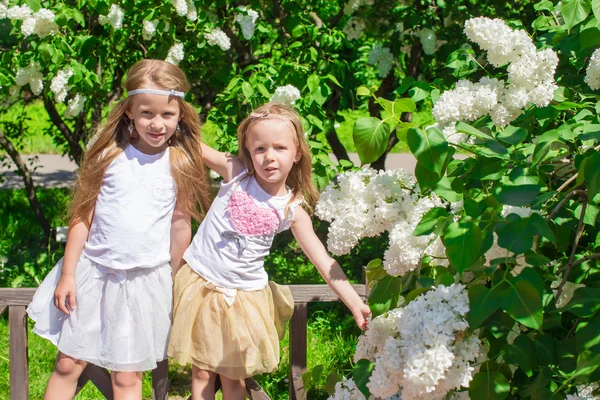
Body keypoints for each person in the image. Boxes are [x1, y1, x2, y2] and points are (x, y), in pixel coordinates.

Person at [26, 59, 211, 400]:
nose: (157, 124)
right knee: (68, 364)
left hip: (145, 284)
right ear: (129, 112)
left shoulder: (180, 162)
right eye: (147, 113)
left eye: (167, 115)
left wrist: (175, 280)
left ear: (180, 115)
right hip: (92, 276)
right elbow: (82, 217)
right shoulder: (109, 156)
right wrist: (68, 274)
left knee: (127, 379)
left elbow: (180, 224)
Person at [168, 102, 371, 400]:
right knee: (201, 373)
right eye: (260, 149)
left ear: (297, 152)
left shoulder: (291, 209)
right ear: (248, 151)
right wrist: (170, 105)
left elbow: (323, 260)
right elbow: (194, 144)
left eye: (280, 148)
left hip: (243, 300)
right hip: (202, 286)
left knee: (233, 377)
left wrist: (354, 303)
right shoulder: (236, 173)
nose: (269, 157)